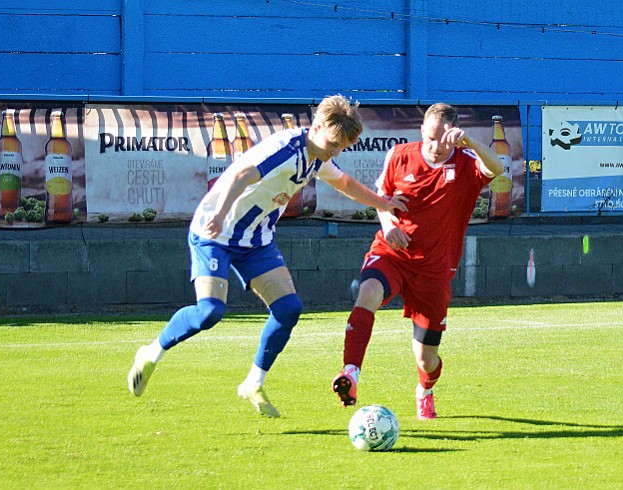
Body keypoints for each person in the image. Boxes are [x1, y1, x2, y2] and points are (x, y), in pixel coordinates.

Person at [127, 95, 408, 418]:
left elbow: (344, 182)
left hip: (256, 240)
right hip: (215, 233)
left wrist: (382, 204)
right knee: (210, 312)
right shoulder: (285, 150)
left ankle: (253, 383)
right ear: (316, 127)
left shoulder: (317, 157)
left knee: (289, 308)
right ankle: (151, 352)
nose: (335, 151)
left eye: (340, 147)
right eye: (333, 144)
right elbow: (239, 174)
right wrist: (219, 214)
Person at [332, 103, 503, 420]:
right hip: (393, 253)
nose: (435, 146)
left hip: (434, 270)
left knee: (426, 359)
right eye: (429, 138)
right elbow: (381, 199)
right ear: (421, 133)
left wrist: (472, 144)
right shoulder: (399, 154)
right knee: (368, 291)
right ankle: (351, 372)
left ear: (454, 135)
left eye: (442, 139)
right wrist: (390, 226)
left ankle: (425, 390)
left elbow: (498, 169)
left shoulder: (466, 164)